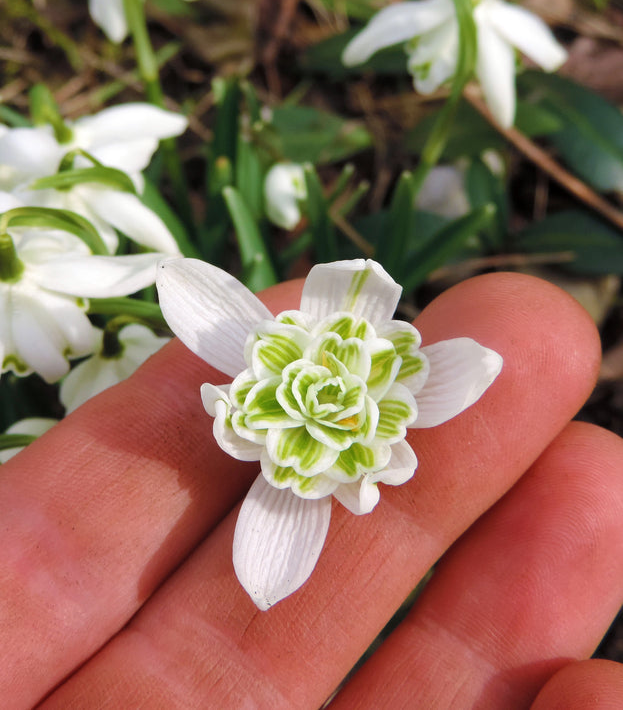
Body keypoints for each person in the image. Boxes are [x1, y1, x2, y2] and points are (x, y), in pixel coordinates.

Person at [1, 271, 622, 709]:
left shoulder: (376, 415)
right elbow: (189, 288)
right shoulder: (266, 373)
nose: (332, 397)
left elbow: (475, 362)